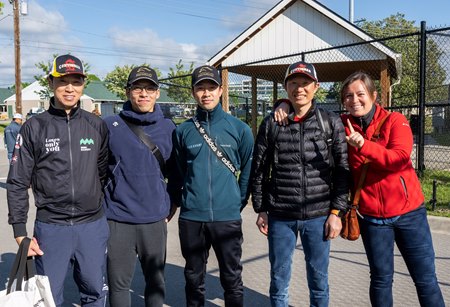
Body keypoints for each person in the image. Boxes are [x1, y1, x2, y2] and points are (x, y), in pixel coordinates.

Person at [6, 54, 109, 307]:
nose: (70, 88)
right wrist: (20, 232)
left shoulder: (96, 125)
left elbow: (102, 172)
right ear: (51, 83)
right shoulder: (34, 127)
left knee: (95, 292)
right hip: (51, 227)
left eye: (76, 81)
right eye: (63, 81)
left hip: (91, 225)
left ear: (83, 85)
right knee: (47, 297)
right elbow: (18, 181)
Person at [340, 71, 444, 307]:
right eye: (348, 96)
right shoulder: (342, 127)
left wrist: (364, 145)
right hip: (372, 219)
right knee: (380, 280)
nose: (354, 100)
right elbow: (307, 110)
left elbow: (398, 159)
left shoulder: (396, 121)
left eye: (360, 94)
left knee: (425, 280)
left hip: (409, 214)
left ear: (374, 96)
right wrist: (282, 103)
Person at [252, 61, 350, 307]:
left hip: (319, 216)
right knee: (279, 280)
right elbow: (259, 170)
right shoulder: (272, 123)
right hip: (280, 215)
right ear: (286, 87)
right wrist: (261, 208)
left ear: (316, 87)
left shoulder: (330, 122)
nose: (299, 89)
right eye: (293, 83)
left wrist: (337, 212)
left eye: (305, 83)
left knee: (319, 281)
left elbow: (342, 170)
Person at [171, 65, 254, 307]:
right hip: (192, 217)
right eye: (200, 88)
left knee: (231, 278)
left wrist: (234, 202)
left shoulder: (240, 129)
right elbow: (180, 171)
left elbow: (247, 171)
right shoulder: (183, 131)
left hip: (226, 216)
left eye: (211, 87)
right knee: (193, 277)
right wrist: (189, 199)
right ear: (193, 92)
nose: (206, 93)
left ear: (221, 90)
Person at [102, 66, 178, 307]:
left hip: (154, 220)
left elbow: (175, 172)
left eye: (149, 88)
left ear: (157, 93)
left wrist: (171, 203)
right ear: (128, 92)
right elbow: (97, 171)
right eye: (137, 88)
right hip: (118, 220)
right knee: (119, 285)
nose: (143, 93)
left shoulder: (168, 128)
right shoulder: (109, 125)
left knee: (155, 283)